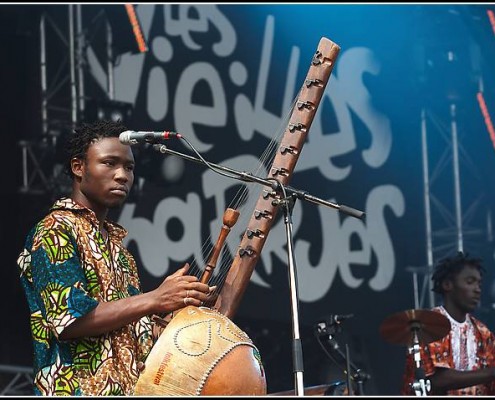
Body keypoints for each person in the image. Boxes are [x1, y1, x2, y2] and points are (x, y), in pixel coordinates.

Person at [16, 119, 216, 396]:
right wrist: (155, 298)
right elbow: (70, 321)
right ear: (78, 167)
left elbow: (135, 330)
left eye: (129, 167)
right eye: (109, 163)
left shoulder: (119, 249)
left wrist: (179, 308)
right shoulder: (55, 229)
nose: (122, 175)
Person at [401, 251, 495, 395]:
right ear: (447, 285)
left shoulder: (483, 332)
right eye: (470, 282)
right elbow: (437, 381)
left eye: (479, 283)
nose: (477, 289)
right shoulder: (428, 324)